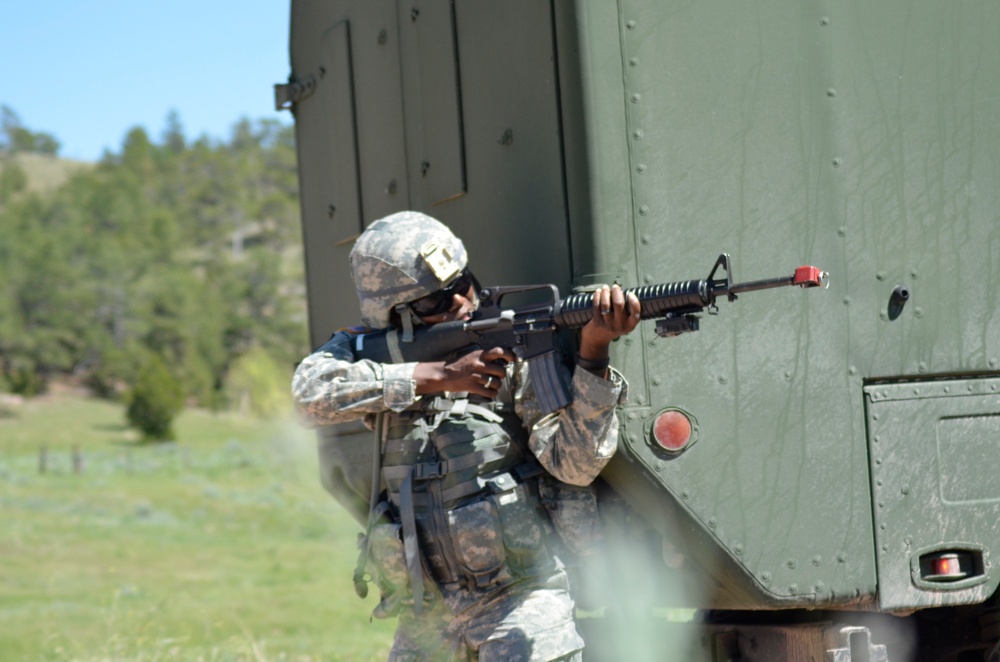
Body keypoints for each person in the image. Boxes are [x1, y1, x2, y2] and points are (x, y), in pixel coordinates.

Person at [292, 211, 640, 661]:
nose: (460, 302)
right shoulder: (377, 356)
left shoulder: (509, 347)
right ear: (395, 317)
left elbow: (575, 466)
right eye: (436, 301)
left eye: (463, 283)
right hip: (426, 615)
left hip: (520, 600)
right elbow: (308, 395)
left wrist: (593, 354)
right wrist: (436, 376)